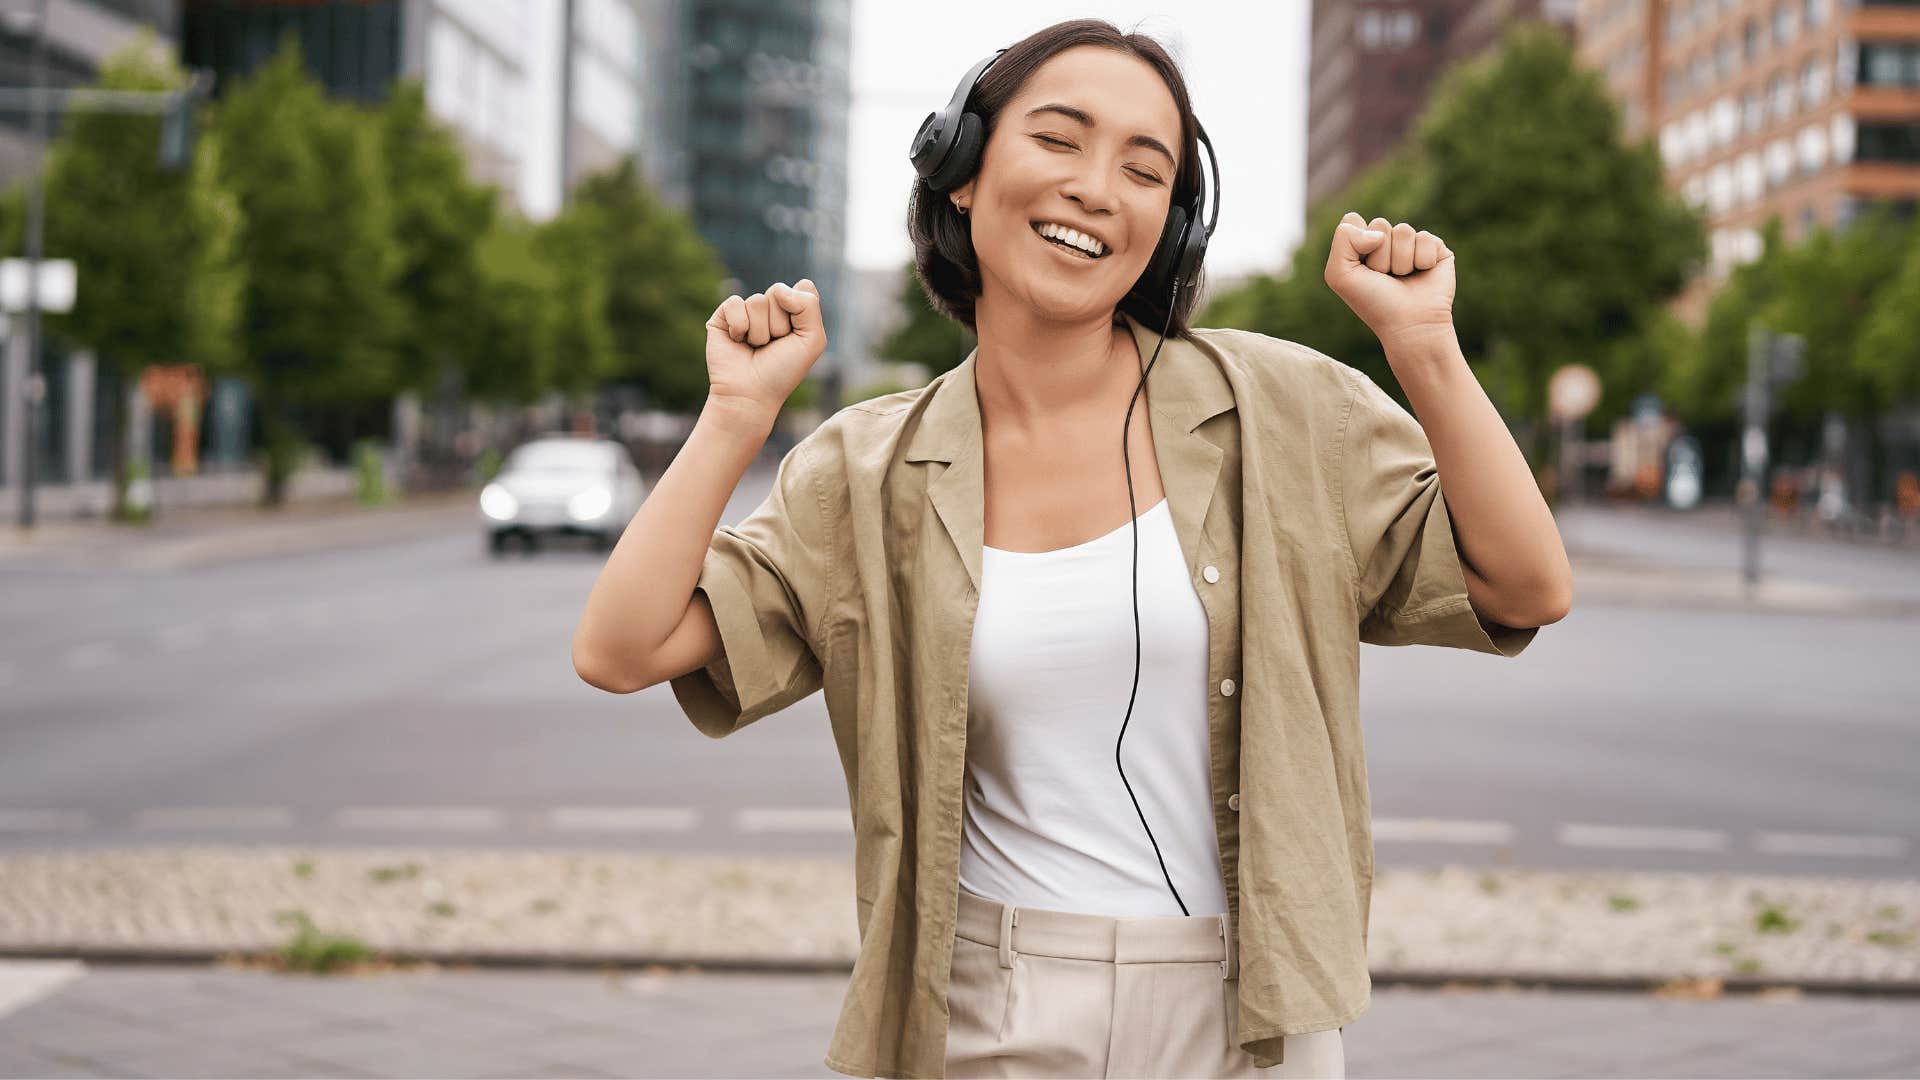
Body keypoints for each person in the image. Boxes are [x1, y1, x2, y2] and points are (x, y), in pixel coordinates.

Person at [572, 17, 1572, 1080]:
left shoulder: (1282, 407)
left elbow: (1524, 583)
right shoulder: (865, 470)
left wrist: (1425, 348)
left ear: (1171, 226)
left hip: (1253, 1010)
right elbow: (622, 648)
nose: (1098, 187)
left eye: (1147, 169)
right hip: (987, 1004)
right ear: (961, 170)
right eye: (1059, 139)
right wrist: (734, 417)